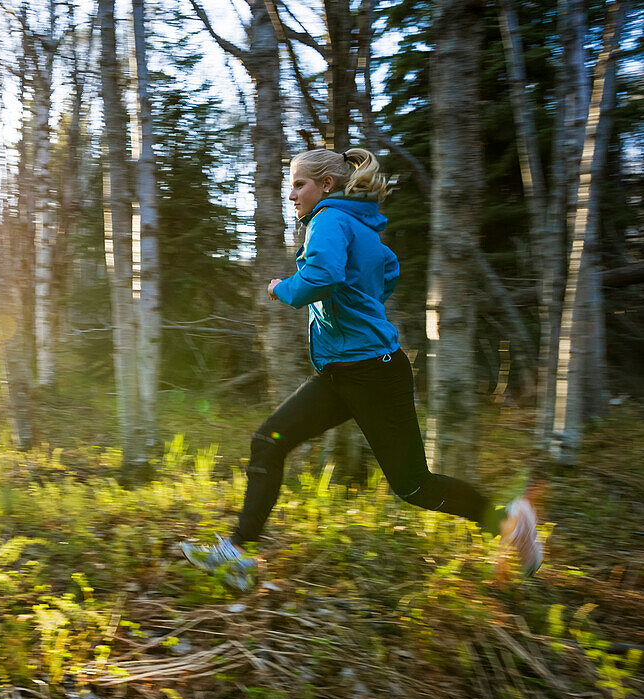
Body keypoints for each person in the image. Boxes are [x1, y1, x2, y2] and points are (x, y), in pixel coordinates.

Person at [182, 148, 542, 591]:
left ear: (326, 186)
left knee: (413, 486)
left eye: (299, 184)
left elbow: (323, 277)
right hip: (345, 372)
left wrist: (282, 288)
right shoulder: (363, 226)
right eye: (290, 184)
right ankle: (237, 553)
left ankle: (510, 521)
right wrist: (355, 308)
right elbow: (387, 272)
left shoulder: (327, 220)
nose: (291, 193)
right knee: (269, 442)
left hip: (370, 371)